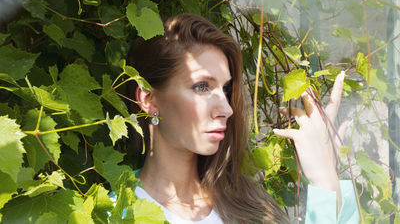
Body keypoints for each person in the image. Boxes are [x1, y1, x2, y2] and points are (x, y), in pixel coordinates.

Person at [126, 13, 359, 223]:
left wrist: (325, 180)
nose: (227, 109)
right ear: (148, 99)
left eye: (226, 89)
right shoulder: (112, 213)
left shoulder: (251, 208)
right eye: (202, 87)